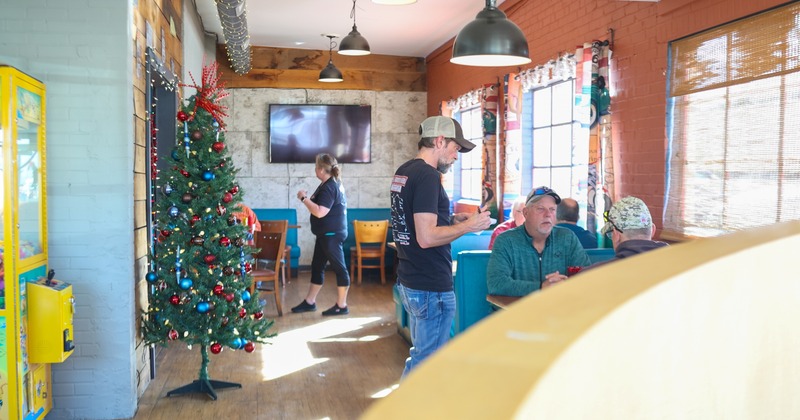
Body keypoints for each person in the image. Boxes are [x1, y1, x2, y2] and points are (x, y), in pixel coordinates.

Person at [390, 116, 492, 378]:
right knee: (427, 365)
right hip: (430, 286)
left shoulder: (405, 171)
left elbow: (414, 224)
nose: (456, 156)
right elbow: (426, 237)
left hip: (410, 278)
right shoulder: (426, 175)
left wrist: (454, 220)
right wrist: (470, 227)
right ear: (439, 141)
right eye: (455, 148)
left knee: (422, 357)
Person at [486, 186, 591, 297]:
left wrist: (565, 285)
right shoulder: (506, 241)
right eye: (540, 209)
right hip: (518, 312)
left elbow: (587, 276)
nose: (548, 214)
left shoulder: (567, 238)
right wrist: (541, 287)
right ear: (525, 213)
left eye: (552, 209)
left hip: (558, 310)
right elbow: (496, 284)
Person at [291, 153, 351, 316]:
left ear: (321, 169)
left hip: (331, 234)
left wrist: (303, 198)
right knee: (317, 266)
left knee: (340, 269)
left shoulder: (330, 186)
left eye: (316, 166)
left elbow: (319, 212)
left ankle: (342, 305)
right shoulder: (329, 184)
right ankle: (310, 302)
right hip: (325, 234)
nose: (314, 169)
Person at [588, 196, 668, 269]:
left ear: (616, 235)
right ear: (653, 230)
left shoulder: (592, 275)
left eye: (610, 234)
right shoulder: (677, 269)